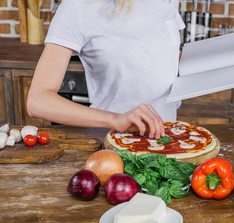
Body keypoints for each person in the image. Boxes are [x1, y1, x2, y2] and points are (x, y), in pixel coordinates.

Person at [27, 0, 185, 139]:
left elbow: (158, 53)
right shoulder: (78, 7)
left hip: (167, 137)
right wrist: (116, 119)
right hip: (113, 142)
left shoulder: (168, 2)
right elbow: (38, 101)